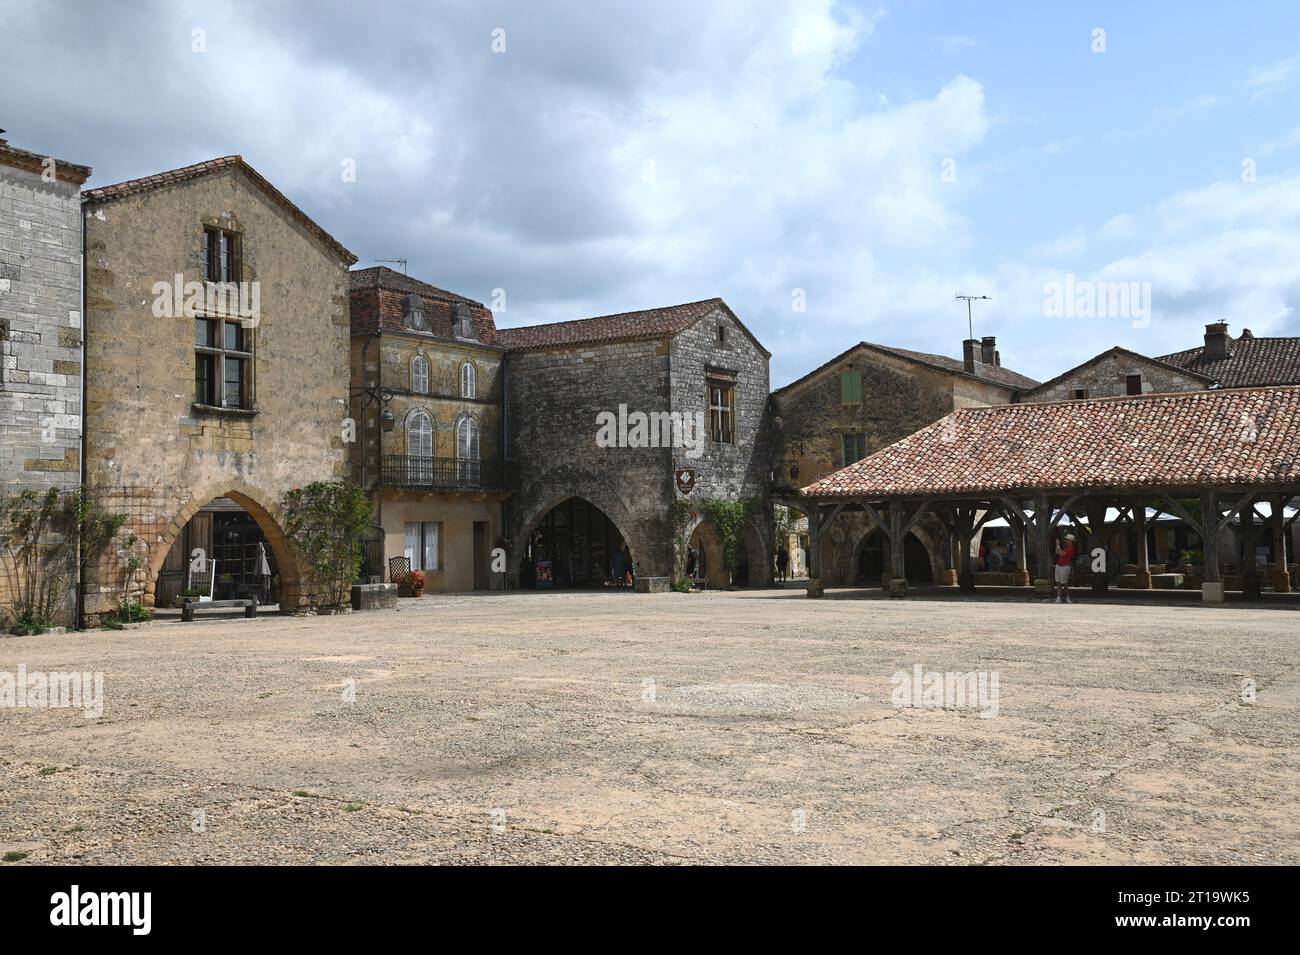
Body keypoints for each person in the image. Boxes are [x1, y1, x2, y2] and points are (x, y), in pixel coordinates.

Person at [1054, 532, 1077, 603]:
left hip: (1065, 567)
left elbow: (1061, 554)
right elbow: (1057, 552)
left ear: (1070, 541)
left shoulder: (1071, 548)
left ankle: (1067, 597)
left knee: (1064, 583)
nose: (1066, 540)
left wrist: (1058, 545)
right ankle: (1058, 597)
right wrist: (1057, 546)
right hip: (1059, 565)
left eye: (1067, 539)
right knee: (1058, 583)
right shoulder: (1066, 547)